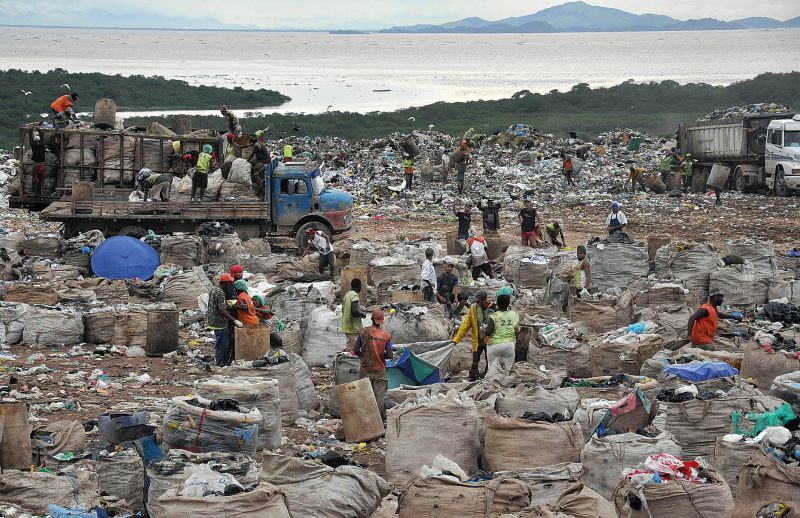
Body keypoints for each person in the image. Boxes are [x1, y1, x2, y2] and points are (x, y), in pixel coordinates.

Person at [353, 308, 393, 421]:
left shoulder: (363, 332)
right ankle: (379, 420)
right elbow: (390, 355)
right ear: (382, 321)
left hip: (365, 368)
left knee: (364, 394)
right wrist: (381, 356)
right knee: (379, 395)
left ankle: (365, 420)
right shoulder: (386, 336)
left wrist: (363, 355)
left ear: (371, 319)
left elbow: (355, 350)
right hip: (379, 369)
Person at [451, 290, 493, 381]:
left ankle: (488, 378)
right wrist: (456, 340)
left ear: (485, 299)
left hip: (490, 340)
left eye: (479, 301)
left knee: (490, 361)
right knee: (475, 362)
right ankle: (474, 379)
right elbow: (465, 326)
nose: (477, 302)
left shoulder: (493, 308)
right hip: (477, 341)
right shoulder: (473, 309)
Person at [207, 274, 243, 367]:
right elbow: (221, 310)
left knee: (220, 342)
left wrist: (227, 307)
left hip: (213, 320)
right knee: (222, 344)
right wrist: (235, 320)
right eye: (230, 283)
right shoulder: (221, 293)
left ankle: (220, 362)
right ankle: (220, 364)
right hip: (220, 322)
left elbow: (217, 306)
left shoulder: (213, 289)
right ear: (226, 283)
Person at [482, 294, 519, 371]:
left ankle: (493, 382)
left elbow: (489, 332)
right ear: (508, 304)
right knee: (508, 369)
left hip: (494, 345)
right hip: (509, 344)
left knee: (492, 369)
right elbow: (517, 329)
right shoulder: (514, 314)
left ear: (497, 304)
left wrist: (483, 331)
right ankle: (505, 382)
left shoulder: (494, 316)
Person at [342, 278, 366, 352]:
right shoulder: (354, 296)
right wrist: (362, 314)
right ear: (359, 286)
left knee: (350, 349)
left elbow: (344, 309)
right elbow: (354, 311)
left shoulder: (347, 295)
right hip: (353, 327)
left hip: (346, 325)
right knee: (355, 350)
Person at [30, 129, 46, 196]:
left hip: (36, 165)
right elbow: (42, 139)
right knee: (40, 180)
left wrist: (30, 131)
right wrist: (40, 131)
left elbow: (30, 140)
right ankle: (39, 193)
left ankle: (34, 192)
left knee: (34, 179)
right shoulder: (42, 145)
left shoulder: (33, 146)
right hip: (42, 165)